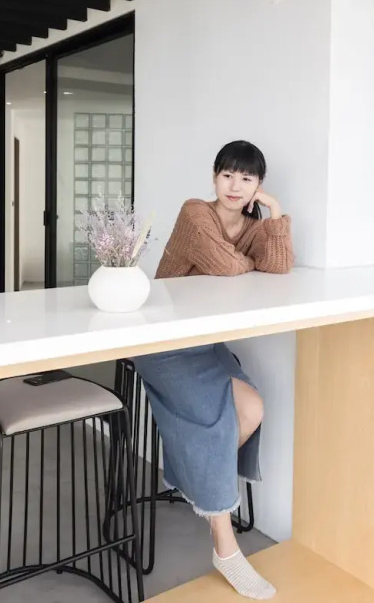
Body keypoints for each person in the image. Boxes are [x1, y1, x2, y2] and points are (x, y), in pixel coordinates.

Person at [133, 140, 294, 600]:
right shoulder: (194, 213)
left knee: (252, 408)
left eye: (246, 178)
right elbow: (225, 266)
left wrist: (275, 213)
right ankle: (225, 546)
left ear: (258, 185)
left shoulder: (253, 225)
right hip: (160, 339)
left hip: (203, 342)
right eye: (227, 175)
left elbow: (279, 265)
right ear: (214, 177)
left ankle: (195, 473)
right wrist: (247, 261)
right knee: (216, 419)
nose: (234, 186)